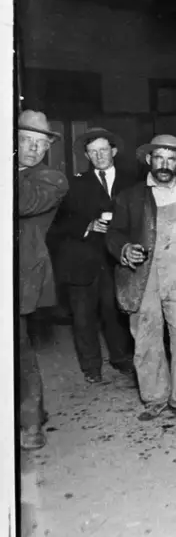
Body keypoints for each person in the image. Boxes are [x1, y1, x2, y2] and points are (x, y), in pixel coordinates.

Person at [105, 134, 176, 422]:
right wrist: (124, 249)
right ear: (148, 160)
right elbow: (114, 234)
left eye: (170, 158)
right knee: (145, 337)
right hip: (143, 278)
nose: (164, 164)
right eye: (159, 157)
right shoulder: (129, 196)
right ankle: (155, 397)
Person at [51, 127, 135, 384]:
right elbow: (57, 226)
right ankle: (91, 367)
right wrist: (86, 226)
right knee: (83, 316)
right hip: (82, 259)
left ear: (114, 151)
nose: (99, 156)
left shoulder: (132, 181)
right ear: (87, 156)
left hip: (116, 260)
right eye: (93, 152)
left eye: (103, 150)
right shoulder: (74, 184)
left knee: (117, 312)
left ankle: (122, 359)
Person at [17, 110, 70, 451]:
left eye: (41, 143)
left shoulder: (52, 179)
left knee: (17, 348)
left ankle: (31, 423)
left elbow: (23, 202)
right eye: (26, 140)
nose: (34, 149)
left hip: (21, 273)